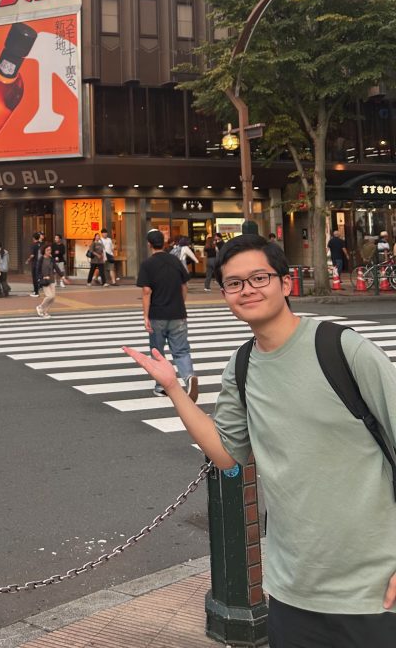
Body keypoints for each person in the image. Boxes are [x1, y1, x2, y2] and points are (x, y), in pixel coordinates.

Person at [125, 234, 396, 646]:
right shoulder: (242, 367)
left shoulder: (342, 349)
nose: (247, 290)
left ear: (285, 284)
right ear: (225, 295)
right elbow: (226, 455)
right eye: (234, 283)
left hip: (374, 589)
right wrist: (175, 390)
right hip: (291, 590)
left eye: (259, 278)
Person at [135, 230, 198, 400]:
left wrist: (145, 316)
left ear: (149, 244)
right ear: (163, 243)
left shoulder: (148, 264)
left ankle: (161, 386)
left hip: (157, 314)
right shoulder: (175, 260)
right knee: (181, 350)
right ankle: (189, 377)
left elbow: (146, 291)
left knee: (158, 352)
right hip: (178, 313)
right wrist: (180, 304)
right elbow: (184, 286)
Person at [35, 243, 56, 318]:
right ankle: (40, 307)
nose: (49, 251)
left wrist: (62, 276)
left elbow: (56, 267)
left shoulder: (51, 259)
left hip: (52, 280)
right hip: (45, 281)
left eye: (50, 250)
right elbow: (37, 271)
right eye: (47, 250)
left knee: (53, 298)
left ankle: (45, 311)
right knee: (49, 296)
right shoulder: (41, 259)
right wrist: (43, 277)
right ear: (44, 251)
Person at [27, 232, 42, 297]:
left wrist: (28, 260)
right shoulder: (41, 244)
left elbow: (32, 255)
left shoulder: (34, 245)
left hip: (35, 263)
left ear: (33, 238)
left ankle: (36, 292)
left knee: (35, 278)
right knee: (38, 277)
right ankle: (36, 290)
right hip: (40, 263)